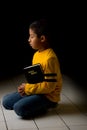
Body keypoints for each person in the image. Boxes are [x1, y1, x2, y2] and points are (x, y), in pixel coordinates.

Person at [2, 19, 62, 119]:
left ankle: (49, 105)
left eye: (32, 36)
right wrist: (26, 88)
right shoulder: (36, 54)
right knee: (6, 101)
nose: (28, 40)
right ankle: (31, 102)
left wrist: (27, 89)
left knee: (19, 108)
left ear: (42, 38)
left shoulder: (50, 58)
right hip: (37, 90)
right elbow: (36, 78)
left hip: (48, 97)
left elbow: (49, 87)